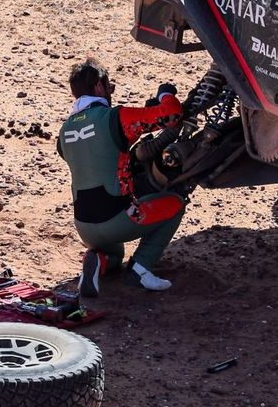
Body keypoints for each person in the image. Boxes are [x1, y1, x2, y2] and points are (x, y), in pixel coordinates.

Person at [57, 59, 186, 310]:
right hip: (118, 219)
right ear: (98, 87)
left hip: (85, 227)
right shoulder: (115, 117)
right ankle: (141, 268)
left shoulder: (64, 132)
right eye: (109, 87)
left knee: (115, 254)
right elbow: (171, 115)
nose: (110, 93)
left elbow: (93, 152)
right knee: (175, 204)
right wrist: (166, 94)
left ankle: (96, 260)